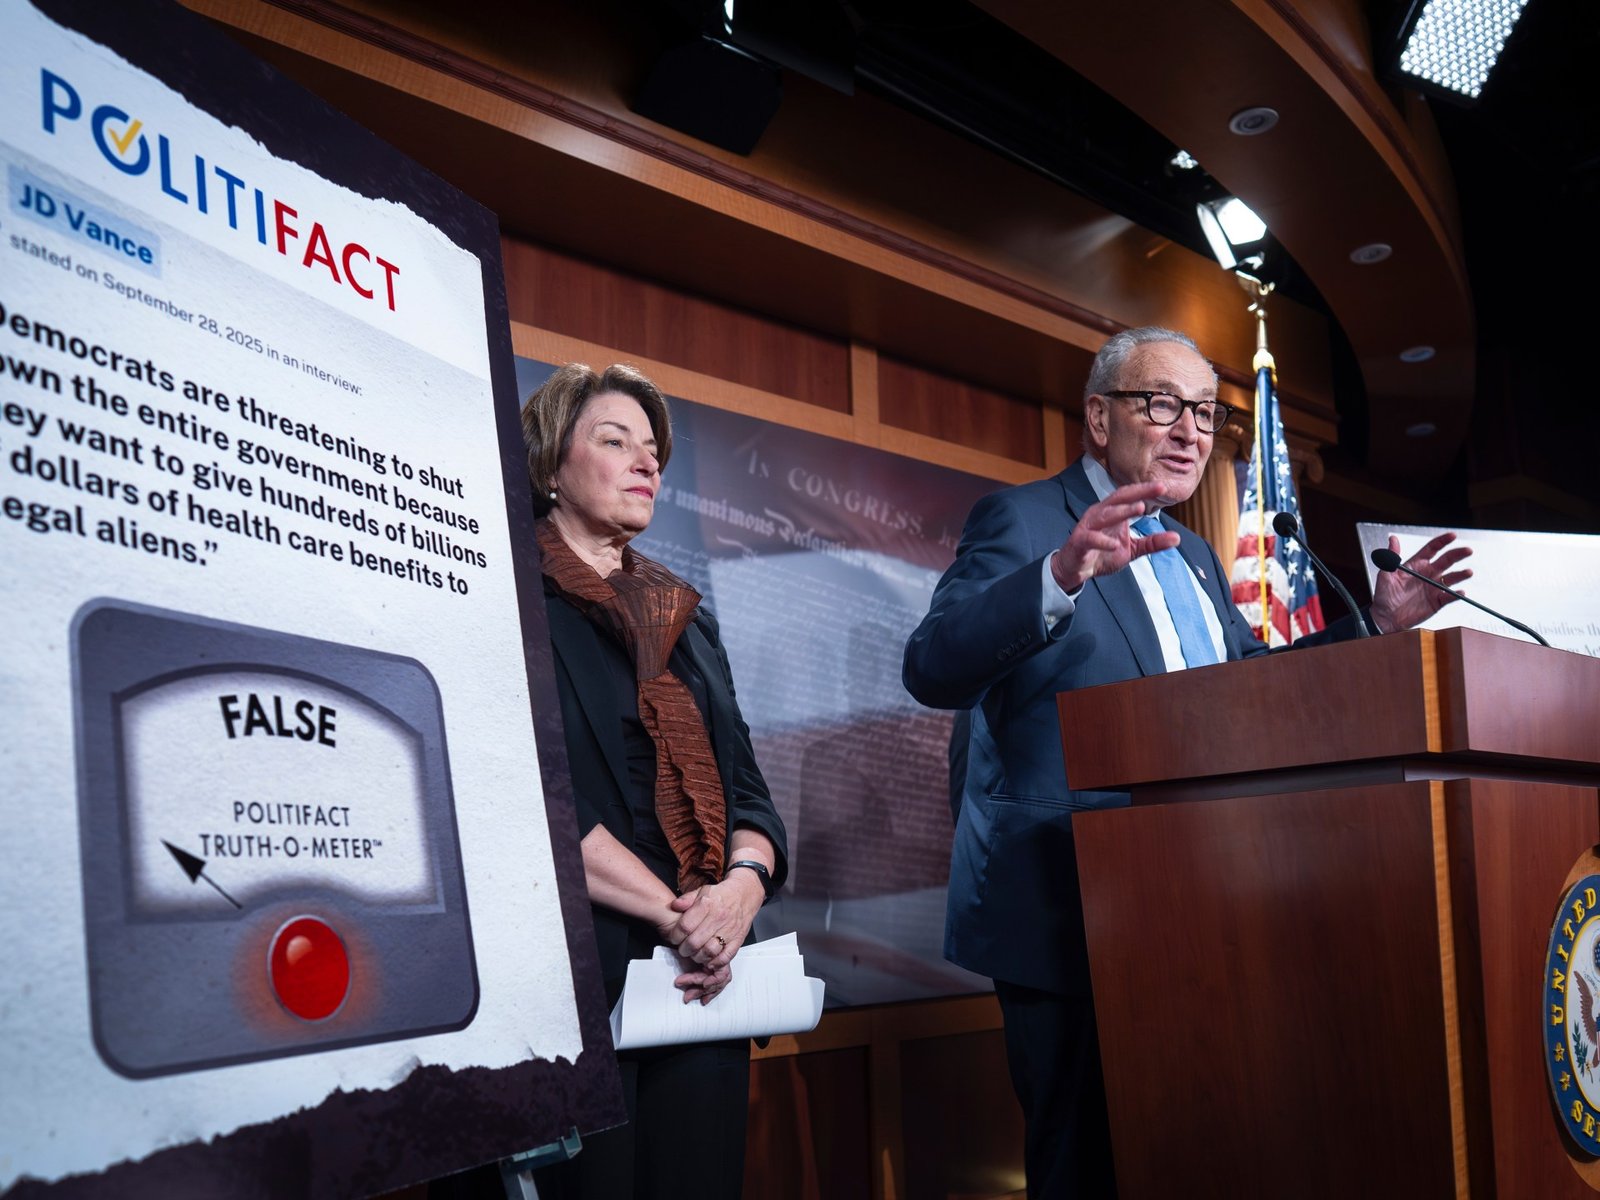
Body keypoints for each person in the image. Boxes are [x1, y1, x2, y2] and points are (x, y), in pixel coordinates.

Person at [901, 326, 1470, 1199]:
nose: (1191, 432)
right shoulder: (1026, 521)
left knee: (1190, 1150)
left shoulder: (1194, 554)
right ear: (1100, 418)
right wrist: (1059, 575)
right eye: (1162, 404)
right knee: (1085, 1167)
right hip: (1069, 913)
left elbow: (1251, 693)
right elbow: (931, 664)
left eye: (1205, 413)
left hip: (1206, 905)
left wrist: (1377, 624)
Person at [525, 362, 789, 1200]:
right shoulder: (504, 595)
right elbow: (529, 797)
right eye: (615, 441)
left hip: (704, 978)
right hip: (574, 980)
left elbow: (749, 791)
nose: (647, 462)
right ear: (551, 463)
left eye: (653, 450)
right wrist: (685, 919)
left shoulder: (687, 619)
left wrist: (738, 894)